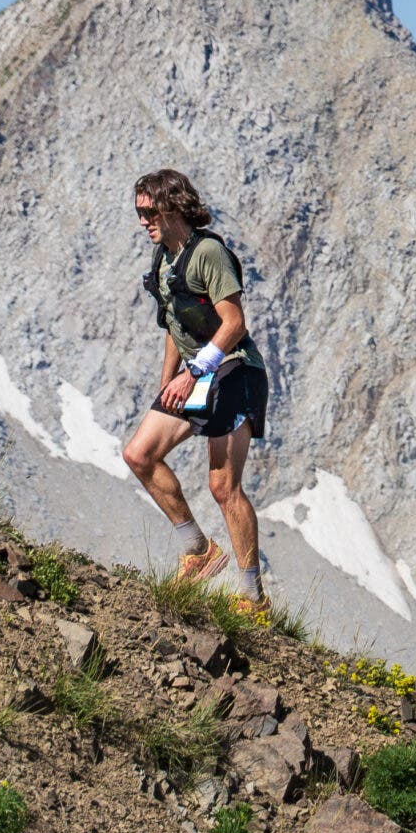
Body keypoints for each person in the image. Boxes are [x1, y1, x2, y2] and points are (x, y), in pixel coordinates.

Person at [119, 168, 271, 618]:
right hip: (195, 374)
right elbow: (175, 326)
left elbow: (234, 323)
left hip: (235, 370)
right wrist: (168, 382)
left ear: (173, 207)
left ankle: (252, 598)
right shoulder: (164, 259)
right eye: (139, 212)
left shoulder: (208, 254)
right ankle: (199, 550)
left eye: (149, 211)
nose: (143, 221)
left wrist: (193, 373)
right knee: (139, 454)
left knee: (223, 486)